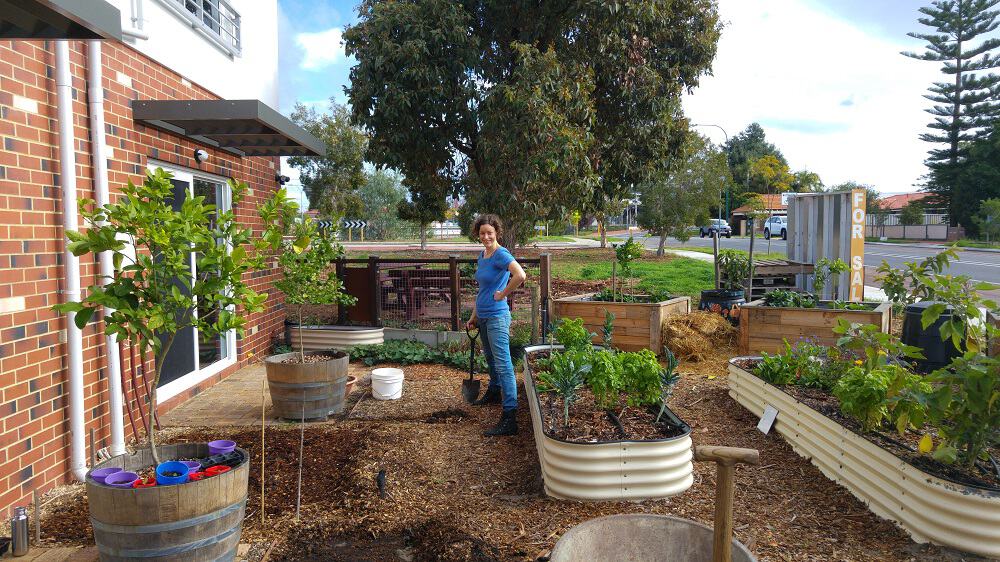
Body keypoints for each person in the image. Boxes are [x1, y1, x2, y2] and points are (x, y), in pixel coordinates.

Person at [465, 214, 526, 436]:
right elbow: (482, 290)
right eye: (482, 233)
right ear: (478, 234)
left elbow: (520, 275)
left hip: (498, 317)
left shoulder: (501, 254)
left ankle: (510, 417)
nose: (486, 236)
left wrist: (503, 294)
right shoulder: (482, 255)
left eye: (490, 232)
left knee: (504, 365)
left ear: (496, 233)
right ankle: (494, 391)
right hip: (482, 315)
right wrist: (474, 315)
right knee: (491, 359)